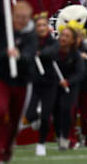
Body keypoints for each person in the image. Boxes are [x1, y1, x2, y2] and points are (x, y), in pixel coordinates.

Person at [0, 0, 38, 163]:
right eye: (18, 17)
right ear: (12, 15)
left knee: (15, 120)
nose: (21, 21)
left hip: (21, 81)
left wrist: (19, 56)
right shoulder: (3, 27)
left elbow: (30, 54)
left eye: (25, 18)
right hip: (1, 77)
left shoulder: (31, 34)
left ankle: (7, 148)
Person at [25, 13, 59, 156]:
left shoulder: (53, 42)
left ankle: (41, 143)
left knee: (46, 115)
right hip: (35, 82)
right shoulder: (31, 41)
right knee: (30, 114)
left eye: (44, 25)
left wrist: (40, 53)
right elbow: (25, 55)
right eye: (39, 25)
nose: (42, 28)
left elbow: (53, 52)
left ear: (48, 27)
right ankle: (34, 122)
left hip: (50, 83)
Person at [54, 27, 85, 150]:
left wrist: (68, 81)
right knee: (55, 112)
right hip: (56, 86)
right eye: (62, 35)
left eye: (67, 36)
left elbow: (80, 73)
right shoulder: (54, 51)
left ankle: (65, 137)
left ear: (72, 40)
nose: (63, 38)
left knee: (66, 110)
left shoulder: (76, 55)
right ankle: (59, 135)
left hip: (71, 87)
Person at [69, 31, 87, 147]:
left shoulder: (86, 46)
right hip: (72, 84)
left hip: (85, 83)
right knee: (71, 111)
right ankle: (71, 137)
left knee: (84, 113)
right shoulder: (67, 48)